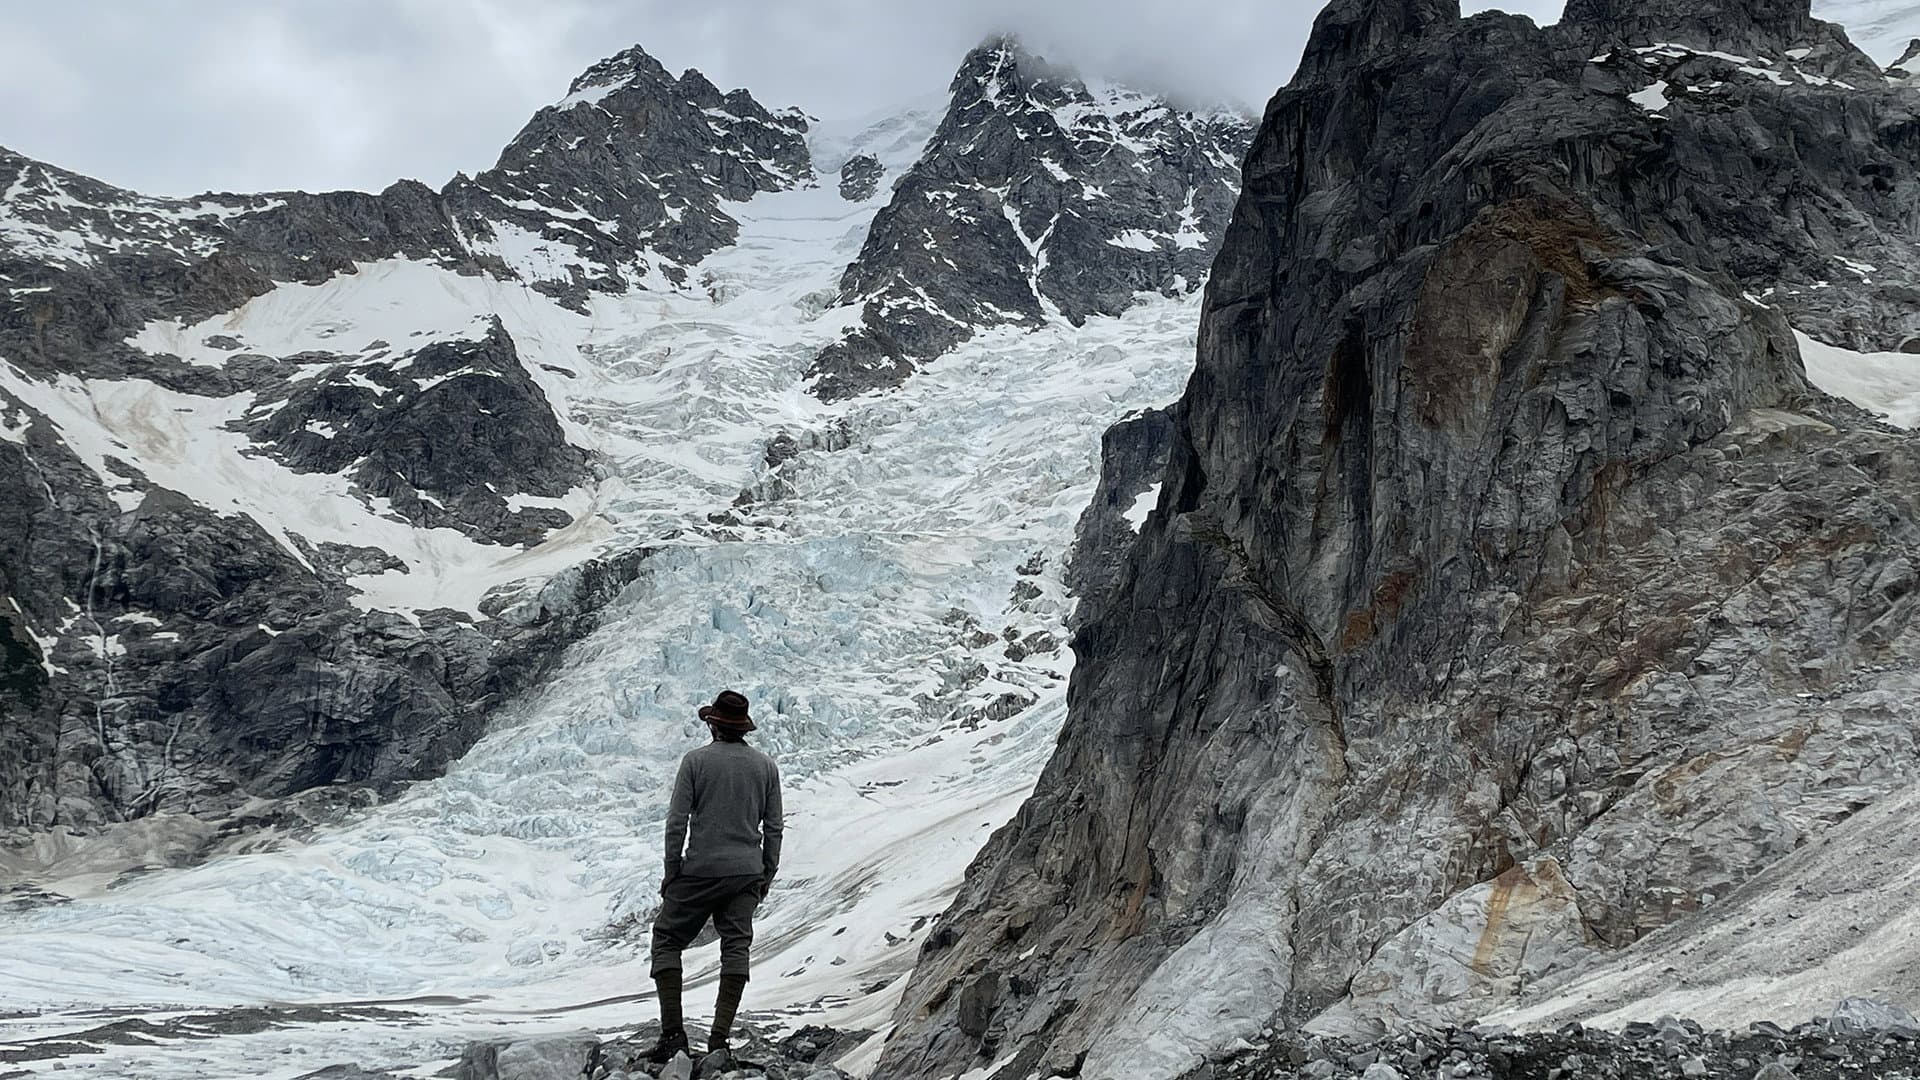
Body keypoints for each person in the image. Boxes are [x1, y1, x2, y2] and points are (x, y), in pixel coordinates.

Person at [646, 689, 784, 1068]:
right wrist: (765, 873)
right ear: (743, 729)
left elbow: (677, 822)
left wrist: (672, 870)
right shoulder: (765, 767)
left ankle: (673, 1036)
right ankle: (720, 1039)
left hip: (701, 870)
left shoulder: (695, 762)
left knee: (668, 938)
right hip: (745, 872)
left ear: (714, 725)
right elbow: (774, 827)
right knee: (736, 946)